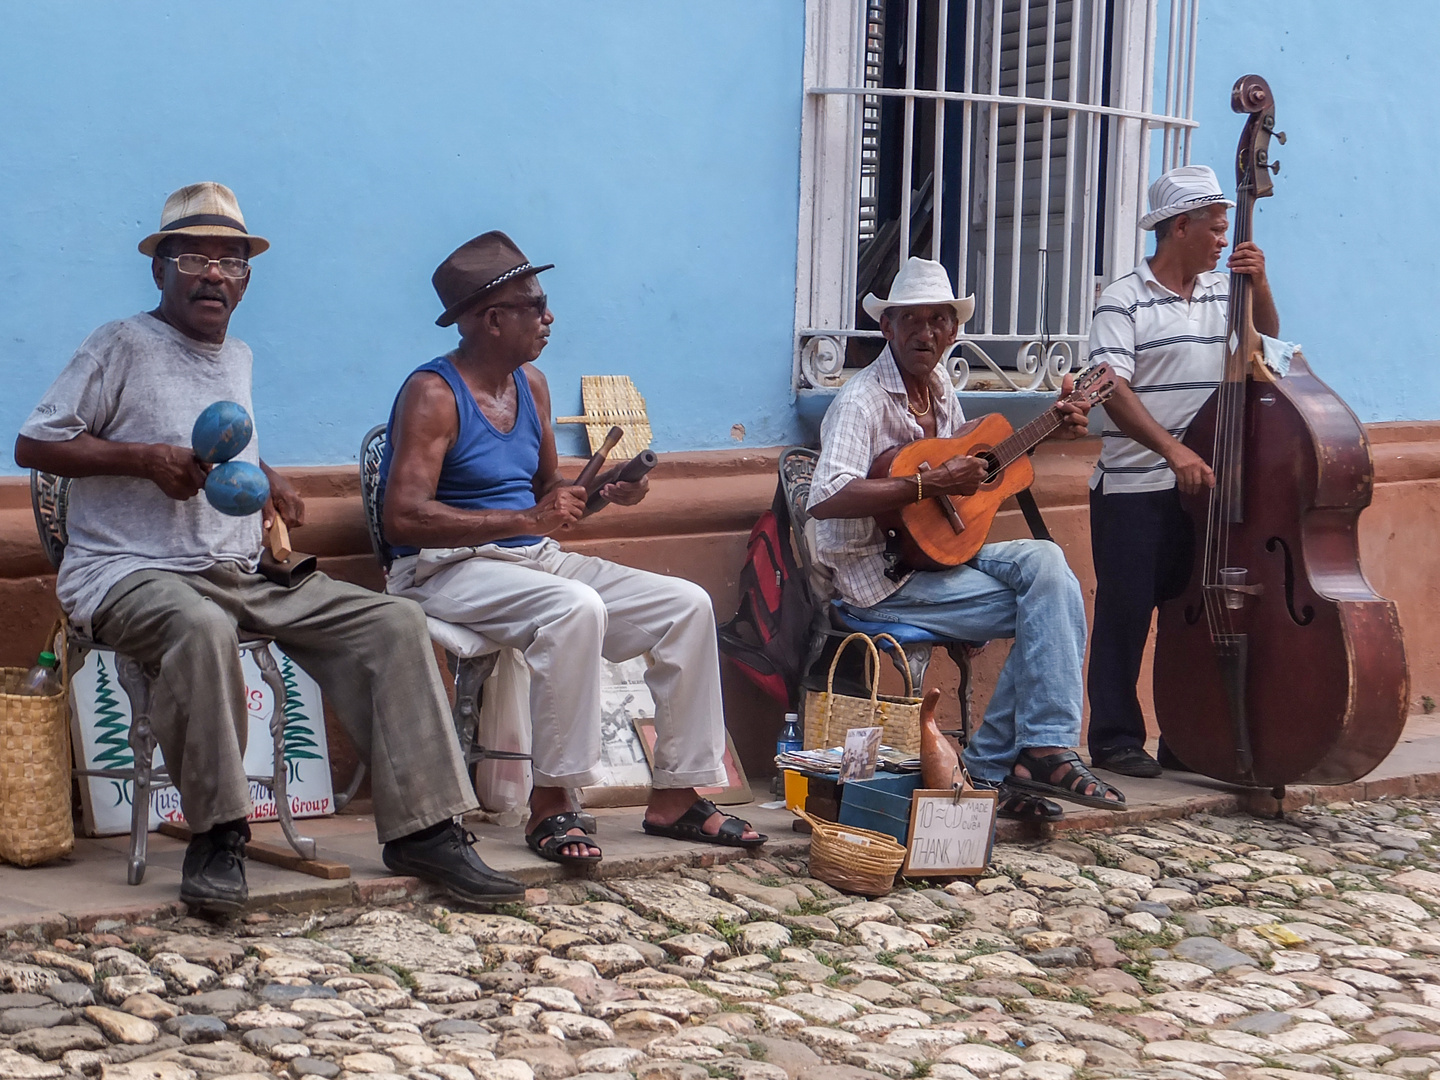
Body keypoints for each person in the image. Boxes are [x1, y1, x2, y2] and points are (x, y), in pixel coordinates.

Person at [14, 183, 527, 912]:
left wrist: (269, 476)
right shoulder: (119, 343)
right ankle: (218, 837)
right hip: (130, 571)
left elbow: (226, 443)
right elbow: (35, 442)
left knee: (394, 623)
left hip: (238, 567)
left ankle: (425, 829)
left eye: (231, 261)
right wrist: (144, 459)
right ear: (159, 270)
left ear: (247, 280)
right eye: (193, 256)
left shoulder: (239, 356)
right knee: (200, 628)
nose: (214, 274)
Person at [378, 231, 765, 864]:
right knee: (575, 607)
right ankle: (552, 803)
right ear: (491, 318)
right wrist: (528, 517)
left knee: (687, 604)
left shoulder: (530, 384)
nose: (548, 317)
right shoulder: (433, 394)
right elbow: (404, 517)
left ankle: (677, 794)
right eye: (533, 305)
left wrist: (607, 490)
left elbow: (548, 492)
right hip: (444, 570)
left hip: (531, 560)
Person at [808, 256, 1126, 820]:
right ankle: (1004, 761)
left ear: (954, 331)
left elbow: (967, 479)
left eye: (939, 320)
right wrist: (925, 482)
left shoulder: (938, 390)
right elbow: (825, 498)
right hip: (879, 577)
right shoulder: (859, 401)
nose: (925, 332)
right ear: (887, 326)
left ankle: (1032, 749)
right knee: (1051, 604)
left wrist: (1051, 428)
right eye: (911, 319)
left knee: (1050, 564)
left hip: (939, 558)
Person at [1086, 164, 1279, 778]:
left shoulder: (1226, 293)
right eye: (1216, 228)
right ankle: (1114, 737)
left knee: (1190, 614)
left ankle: (1183, 735)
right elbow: (1110, 387)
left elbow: (1264, 348)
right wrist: (1174, 452)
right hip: (1135, 488)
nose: (1225, 239)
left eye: (1227, 227)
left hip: (1206, 489)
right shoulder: (1123, 298)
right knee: (1127, 612)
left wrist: (1262, 284)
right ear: (1179, 228)